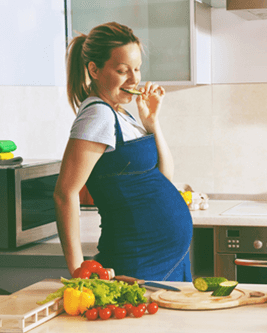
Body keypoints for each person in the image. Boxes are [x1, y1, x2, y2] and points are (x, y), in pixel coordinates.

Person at [54, 22, 193, 282]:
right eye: (122, 70)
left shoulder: (120, 114)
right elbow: (65, 193)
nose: (134, 79)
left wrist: (152, 123)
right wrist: (77, 272)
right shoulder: (97, 115)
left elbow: (164, 176)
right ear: (94, 70)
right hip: (139, 261)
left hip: (164, 259)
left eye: (137, 69)